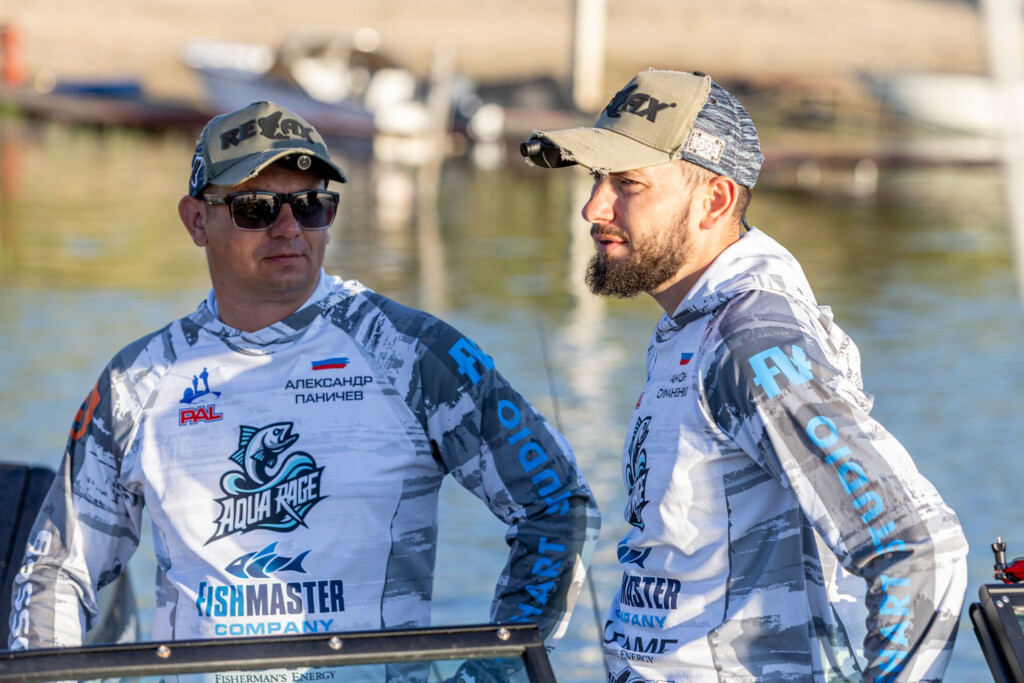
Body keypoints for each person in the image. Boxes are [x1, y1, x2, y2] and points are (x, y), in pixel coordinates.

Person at [8, 101, 601, 664]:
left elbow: (557, 507)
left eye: (312, 205)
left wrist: (496, 668)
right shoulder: (136, 381)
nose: (289, 227)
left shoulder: (416, 354)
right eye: (256, 208)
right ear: (196, 220)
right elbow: (55, 570)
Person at [521, 69, 969, 682]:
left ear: (715, 200)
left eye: (627, 184)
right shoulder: (697, 322)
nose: (593, 208)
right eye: (597, 180)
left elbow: (921, 549)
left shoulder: (750, 338)